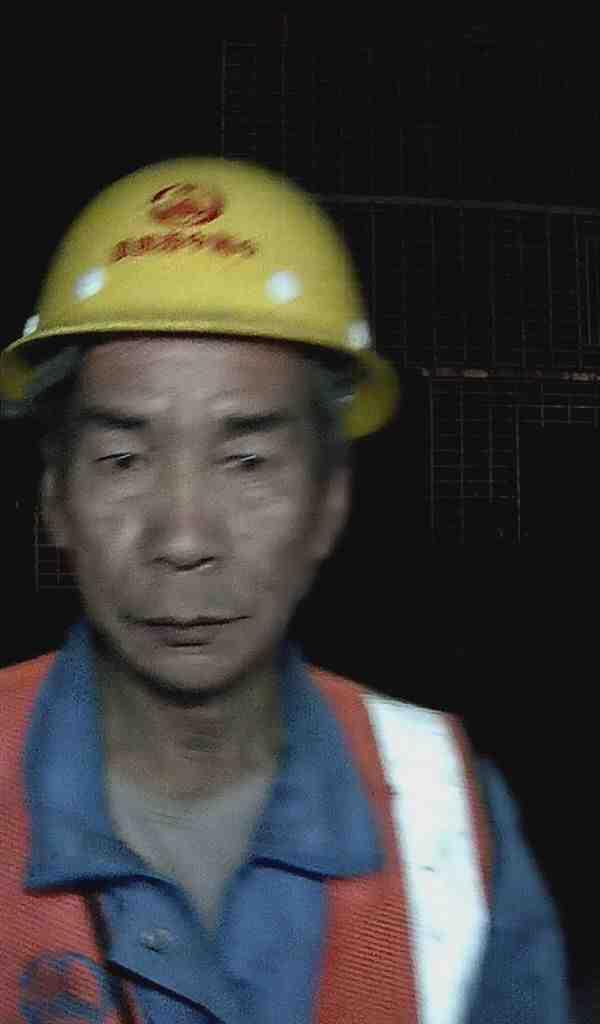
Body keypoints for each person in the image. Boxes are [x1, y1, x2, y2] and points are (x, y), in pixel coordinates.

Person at [0, 158, 571, 1022]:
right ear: (56, 504)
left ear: (327, 505)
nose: (183, 540)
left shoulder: (442, 810)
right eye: (122, 458)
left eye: (247, 460)